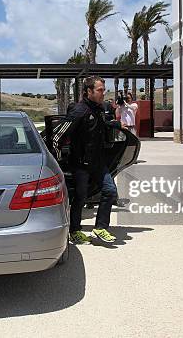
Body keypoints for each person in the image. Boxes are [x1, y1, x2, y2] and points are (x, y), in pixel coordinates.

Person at [52, 76, 125, 244]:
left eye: (103, 90)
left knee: (110, 191)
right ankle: (75, 230)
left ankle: (100, 228)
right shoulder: (79, 110)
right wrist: (56, 160)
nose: (103, 93)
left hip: (98, 162)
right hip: (80, 164)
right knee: (80, 197)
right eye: (99, 90)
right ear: (88, 91)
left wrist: (117, 125)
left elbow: (103, 123)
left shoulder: (99, 108)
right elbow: (58, 136)